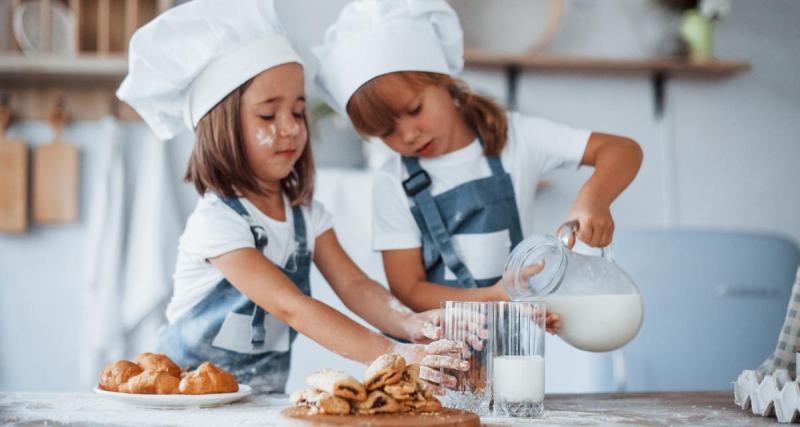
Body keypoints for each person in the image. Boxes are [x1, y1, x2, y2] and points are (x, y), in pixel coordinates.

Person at [117, 0, 466, 394]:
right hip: (183, 403)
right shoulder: (217, 223)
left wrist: (408, 323)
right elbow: (292, 307)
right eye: (268, 116)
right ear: (221, 126)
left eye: (298, 112)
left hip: (256, 403)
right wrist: (392, 353)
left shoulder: (306, 216)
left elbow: (355, 286)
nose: (289, 128)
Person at [313, 0, 643, 314]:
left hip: (508, 347)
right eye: (386, 132)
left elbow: (622, 150)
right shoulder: (393, 182)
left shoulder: (517, 138)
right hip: (435, 356)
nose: (408, 135)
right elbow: (408, 290)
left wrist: (592, 199)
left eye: (414, 110)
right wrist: (493, 296)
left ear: (442, 80)